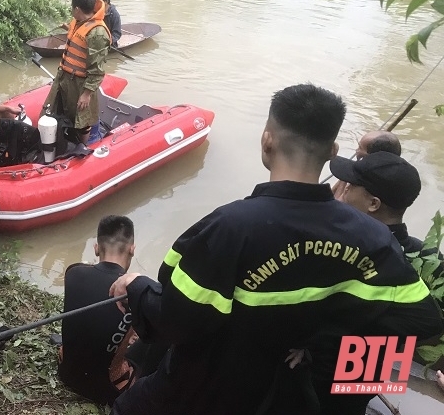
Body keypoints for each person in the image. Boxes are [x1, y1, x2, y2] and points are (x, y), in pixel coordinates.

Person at [108, 83, 443, 415]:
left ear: (267, 140)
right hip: (285, 389)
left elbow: (175, 320)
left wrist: (136, 285)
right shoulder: (376, 240)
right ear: (332, 151)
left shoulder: (229, 227)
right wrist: (317, 337)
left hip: (213, 387)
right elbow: (424, 321)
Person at [59, 216, 136, 405]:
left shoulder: (73, 272)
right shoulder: (137, 292)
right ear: (132, 249)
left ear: (95, 248)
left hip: (66, 374)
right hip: (107, 391)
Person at [331, 151, 443, 273]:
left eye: (352, 184)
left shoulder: (340, 251)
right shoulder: (430, 258)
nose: (346, 188)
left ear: (373, 204)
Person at [42, 0, 110, 145]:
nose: (71, 10)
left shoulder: (98, 33)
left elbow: (97, 69)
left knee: (82, 119)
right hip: (65, 77)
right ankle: (63, 139)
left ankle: (83, 148)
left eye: (72, 7)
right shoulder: (77, 22)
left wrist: (86, 94)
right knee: (55, 109)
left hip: (81, 82)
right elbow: (77, 37)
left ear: (77, 9)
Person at [331, 130, 401, 199]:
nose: (356, 150)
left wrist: (344, 180)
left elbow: (335, 206)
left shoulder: (367, 188)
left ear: (372, 158)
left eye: (360, 147)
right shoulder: (395, 182)